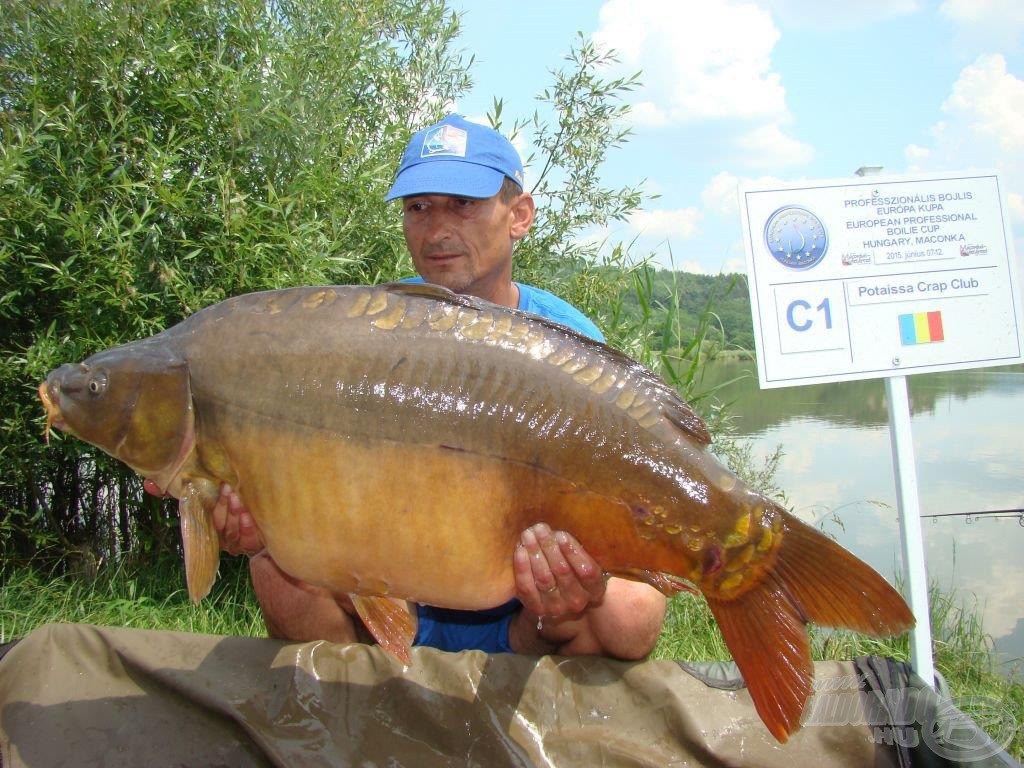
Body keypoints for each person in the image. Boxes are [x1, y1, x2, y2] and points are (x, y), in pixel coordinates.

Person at [188, 115, 667, 659]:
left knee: (632, 614)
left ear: (520, 216)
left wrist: (584, 576)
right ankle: (354, 716)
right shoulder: (368, 329)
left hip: (527, 618)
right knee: (275, 573)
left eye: (463, 204)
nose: (437, 229)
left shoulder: (567, 347)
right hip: (394, 597)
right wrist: (268, 522)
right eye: (418, 208)